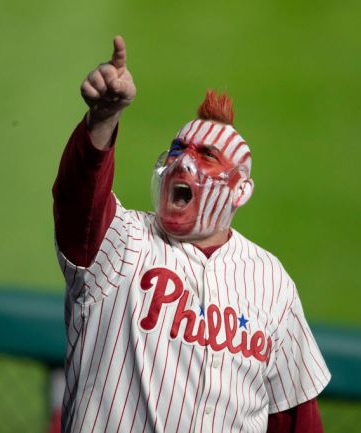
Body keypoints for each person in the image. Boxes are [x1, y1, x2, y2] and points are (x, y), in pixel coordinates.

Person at [52, 35, 331, 433]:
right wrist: (103, 120)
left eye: (207, 155)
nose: (184, 160)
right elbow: (76, 196)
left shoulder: (274, 284)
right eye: (179, 148)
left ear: (240, 191)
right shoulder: (120, 241)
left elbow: (296, 421)